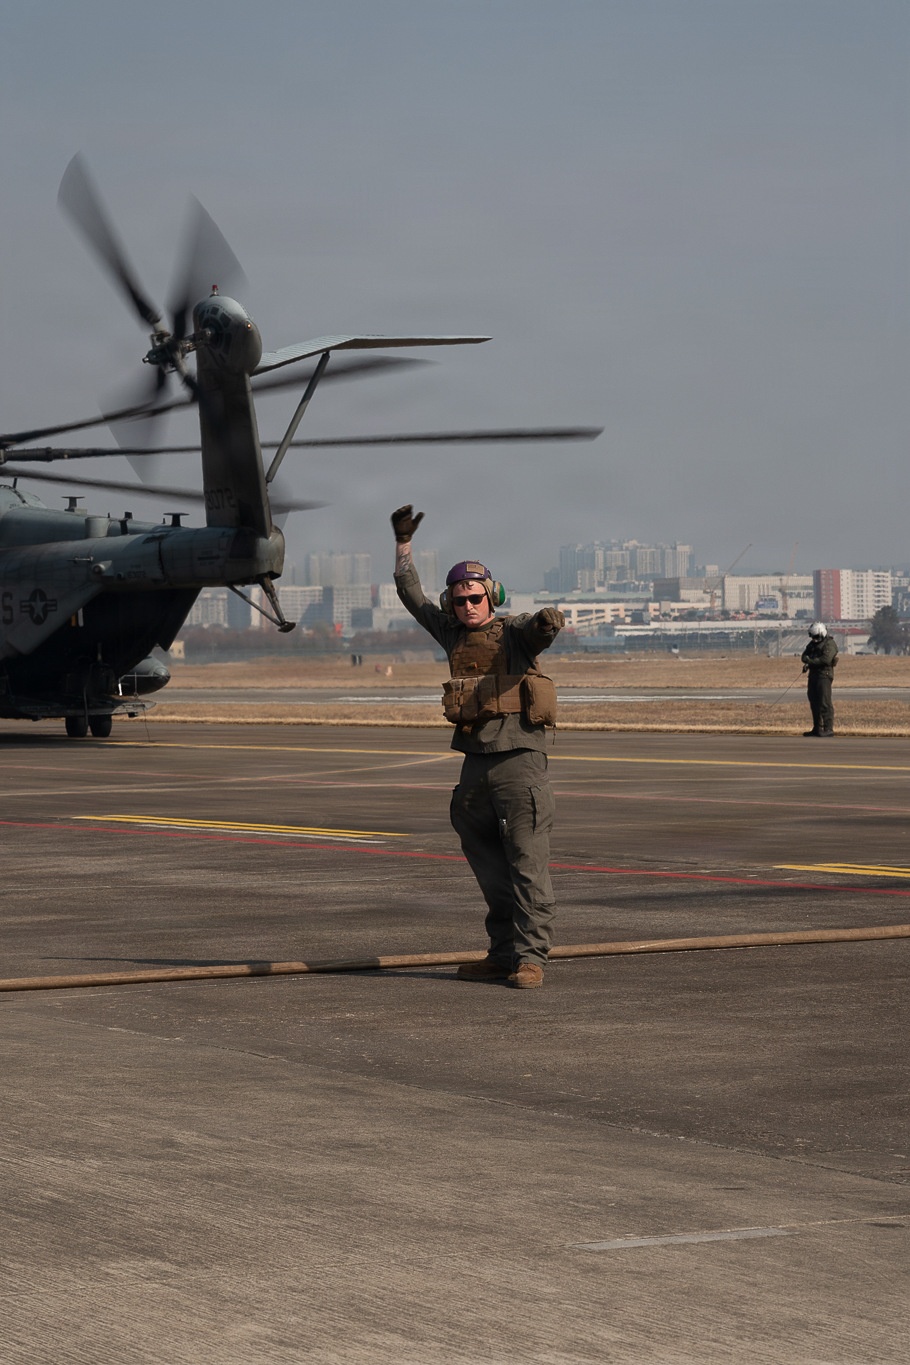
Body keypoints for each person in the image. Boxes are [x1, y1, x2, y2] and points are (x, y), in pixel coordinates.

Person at [391, 504, 565, 989]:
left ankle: (531, 960)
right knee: (490, 869)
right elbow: (411, 595)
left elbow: (539, 630)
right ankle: (503, 952)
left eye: (476, 597)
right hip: (474, 766)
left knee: (527, 864)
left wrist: (549, 622)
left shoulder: (514, 634)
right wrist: (404, 545)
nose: (468, 606)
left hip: (519, 764)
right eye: (460, 599)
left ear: (492, 597)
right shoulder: (450, 633)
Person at [801, 622, 838, 737]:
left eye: (816, 636)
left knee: (824, 702)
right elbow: (803, 656)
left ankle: (828, 728)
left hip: (824, 675)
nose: (814, 639)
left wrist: (810, 661)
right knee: (814, 702)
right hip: (813, 675)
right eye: (812, 637)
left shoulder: (829, 644)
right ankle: (817, 728)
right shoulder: (812, 644)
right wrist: (808, 660)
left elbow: (825, 660)